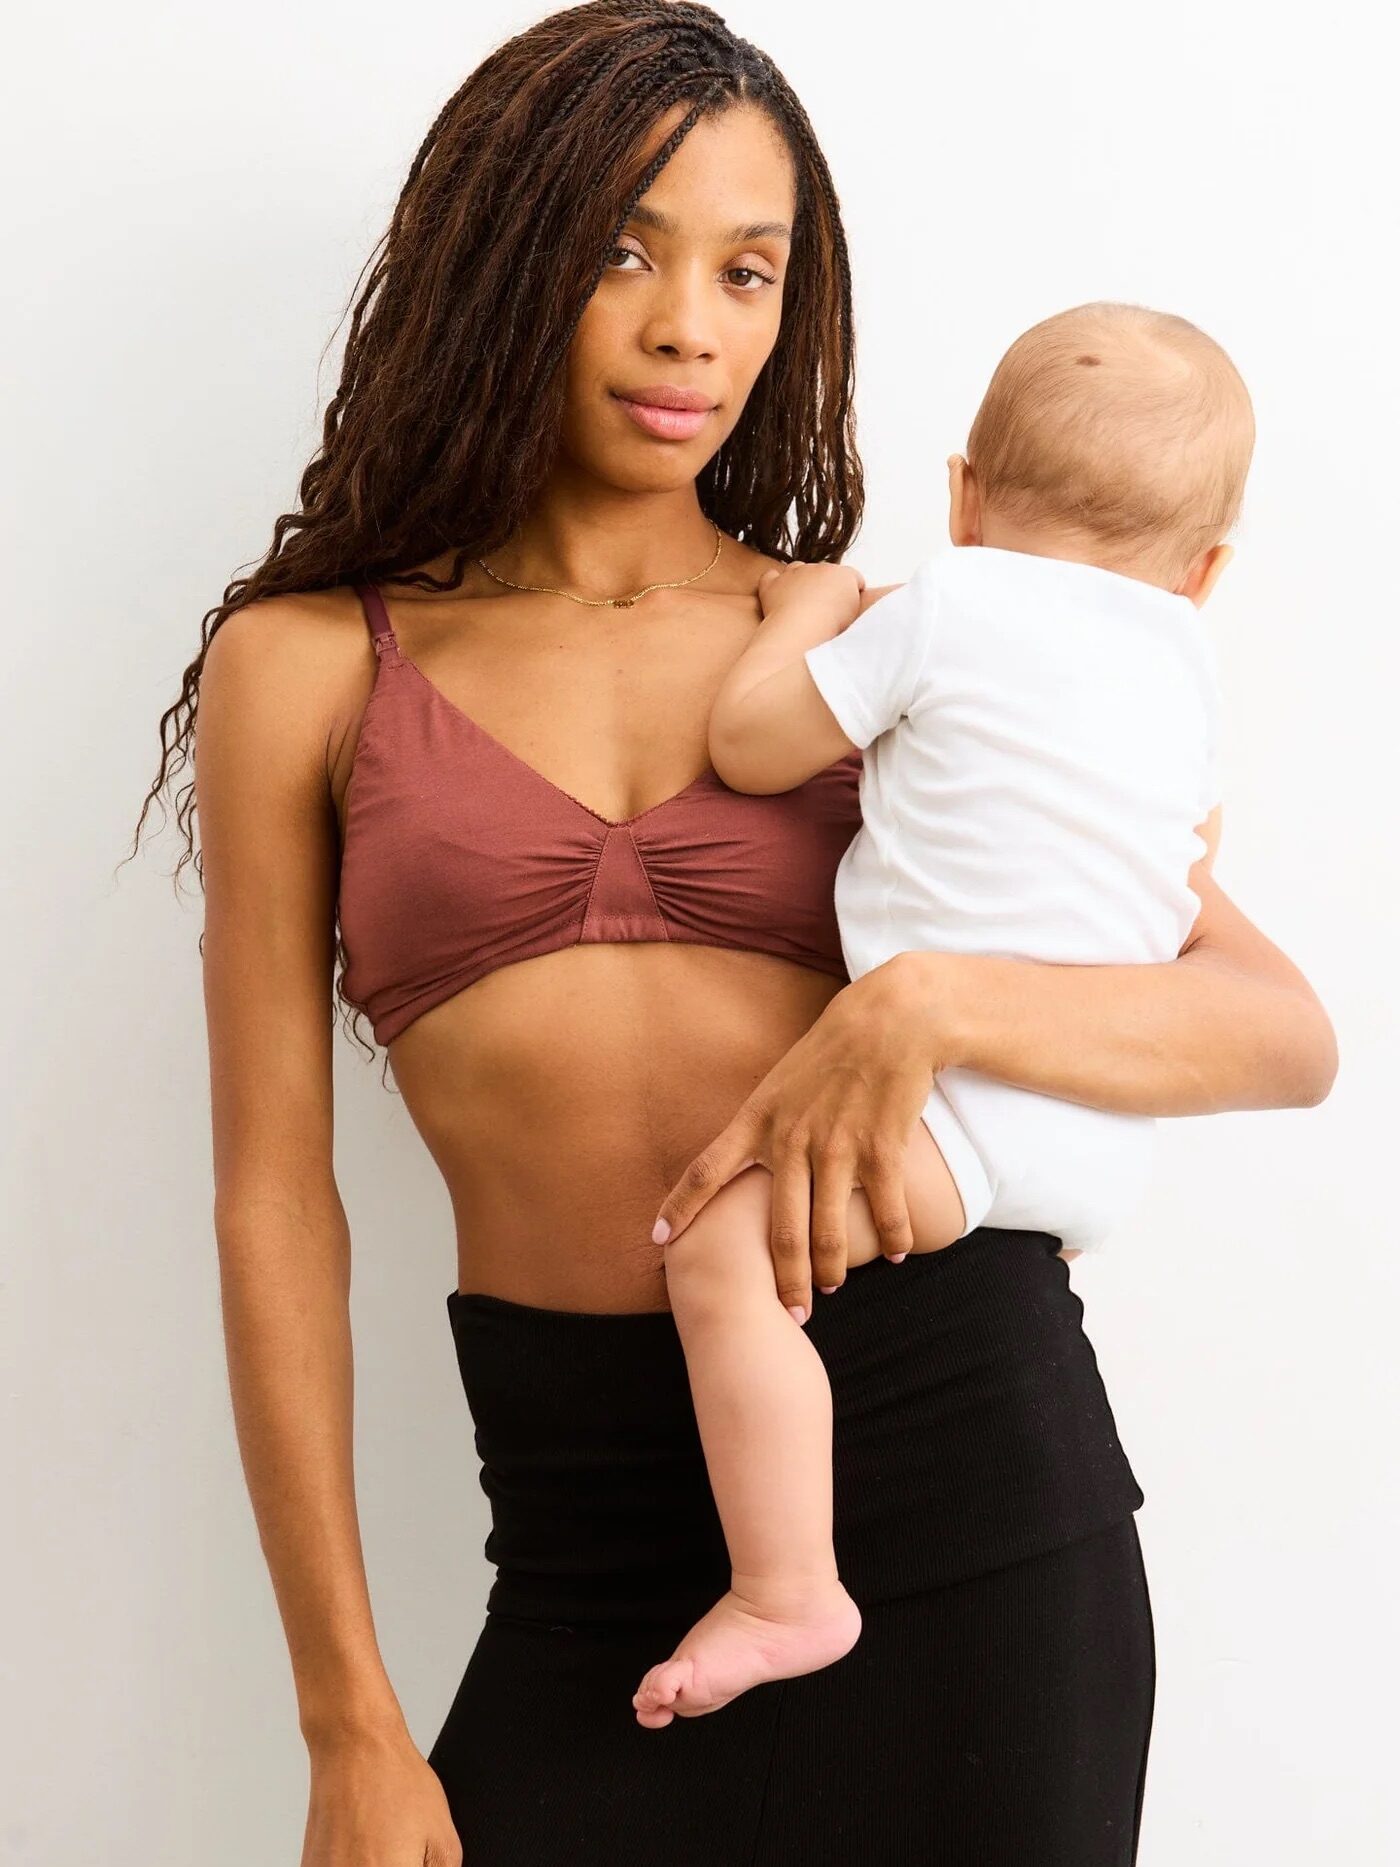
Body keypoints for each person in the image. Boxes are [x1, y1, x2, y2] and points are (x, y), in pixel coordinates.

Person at [134, 6, 1336, 1863]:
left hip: (962, 1487)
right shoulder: (304, 667)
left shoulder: (875, 638)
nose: (690, 321)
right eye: (622, 246)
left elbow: (1272, 1031)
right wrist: (348, 1717)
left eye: (749, 268)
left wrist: (925, 1005)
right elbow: (276, 1199)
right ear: (501, 257)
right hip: (582, 1543)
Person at [631, 300, 1262, 1728]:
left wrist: (808, 613)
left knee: (718, 1253)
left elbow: (749, 746)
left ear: (964, 495)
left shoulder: (951, 604)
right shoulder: (1190, 673)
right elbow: (1189, 871)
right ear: (1209, 570)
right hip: (1095, 1121)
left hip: (955, 1117)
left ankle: (788, 1585)